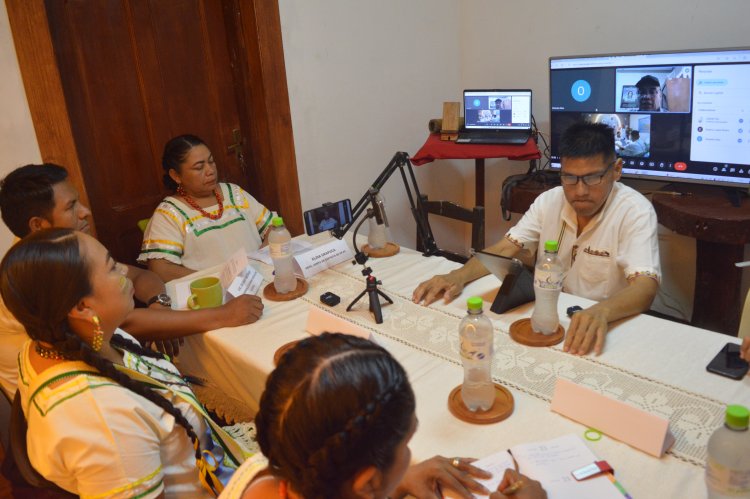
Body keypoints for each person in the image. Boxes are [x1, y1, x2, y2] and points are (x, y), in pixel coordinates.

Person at [1, 228, 251, 497]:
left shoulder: (74, 337)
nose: (124, 270)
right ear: (83, 307)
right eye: (112, 267)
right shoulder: (103, 420)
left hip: (216, 468)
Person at [0, 163, 264, 397]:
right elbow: (125, 323)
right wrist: (223, 315)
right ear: (37, 225)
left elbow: (138, 274)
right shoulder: (33, 274)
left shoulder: (60, 249)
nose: (86, 212)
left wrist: (158, 303)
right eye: (71, 206)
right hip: (73, 389)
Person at [413, 122, 660, 356]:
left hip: (602, 323)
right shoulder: (549, 200)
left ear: (616, 170)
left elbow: (645, 287)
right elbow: (506, 247)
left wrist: (602, 312)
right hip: (548, 314)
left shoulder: (635, 211)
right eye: (570, 177)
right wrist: (456, 276)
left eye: (593, 178)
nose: (580, 191)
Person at [221, 333, 546, 498]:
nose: (411, 455)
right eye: (406, 443)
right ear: (366, 482)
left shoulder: (263, 478)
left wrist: (395, 481)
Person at [139, 134, 275, 282]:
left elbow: (274, 227)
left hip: (257, 279)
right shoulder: (169, 214)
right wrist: (216, 281)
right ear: (176, 175)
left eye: (211, 161)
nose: (210, 170)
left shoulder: (234, 194)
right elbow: (160, 269)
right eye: (199, 167)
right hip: (214, 295)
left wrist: (258, 260)